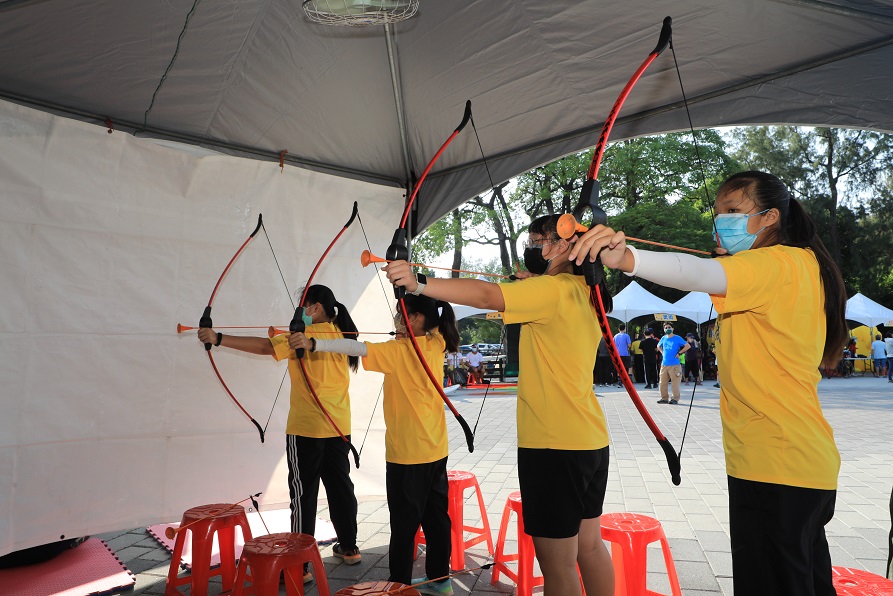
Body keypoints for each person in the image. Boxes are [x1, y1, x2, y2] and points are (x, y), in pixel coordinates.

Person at [571, 170, 847, 594]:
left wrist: (627, 258)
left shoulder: (779, 262)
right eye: (718, 214)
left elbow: (698, 273)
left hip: (776, 465)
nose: (722, 222)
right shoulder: (795, 265)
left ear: (770, 217)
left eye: (735, 211)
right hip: (796, 464)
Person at [385, 214, 614, 596]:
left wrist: (418, 281)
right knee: (589, 547)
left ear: (563, 243)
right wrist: (537, 284)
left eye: (536, 240)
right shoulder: (582, 292)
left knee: (558, 569)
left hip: (553, 446)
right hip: (590, 439)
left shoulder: (553, 290)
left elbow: (487, 295)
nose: (531, 250)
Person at [290, 294, 458, 595]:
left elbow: (354, 346)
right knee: (436, 520)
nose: (395, 320)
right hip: (436, 450)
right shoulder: (436, 343)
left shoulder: (397, 350)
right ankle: (439, 581)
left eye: (400, 314)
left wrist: (314, 343)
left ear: (417, 318)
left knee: (404, 528)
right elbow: (424, 329)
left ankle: (399, 587)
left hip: (407, 456)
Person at [197, 284, 362, 581]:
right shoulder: (342, 335)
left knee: (303, 495)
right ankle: (349, 548)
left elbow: (263, 347)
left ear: (315, 308)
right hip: (339, 428)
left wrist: (217, 338)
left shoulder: (302, 336)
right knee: (340, 488)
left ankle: (299, 566)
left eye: (303, 306)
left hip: (307, 429)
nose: (299, 311)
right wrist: (280, 336)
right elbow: (276, 342)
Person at [656, 323, 688, 404]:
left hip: (675, 365)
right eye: (666, 328)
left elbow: (687, 346)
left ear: (673, 329)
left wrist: (679, 353)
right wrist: (662, 352)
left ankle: (675, 399)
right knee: (662, 382)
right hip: (664, 364)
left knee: (675, 383)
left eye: (669, 327)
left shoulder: (677, 338)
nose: (667, 329)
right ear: (664, 329)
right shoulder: (663, 338)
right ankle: (664, 398)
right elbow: (658, 346)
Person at [613, 323, 633, 388]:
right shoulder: (626, 336)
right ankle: (629, 379)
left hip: (617, 354)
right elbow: (629, 345)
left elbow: (613, 345)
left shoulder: (615, 336)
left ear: (618, 329)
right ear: (625, 329)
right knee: (629, 366)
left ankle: (619, 381)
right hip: (625, 353)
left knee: (620, 368)